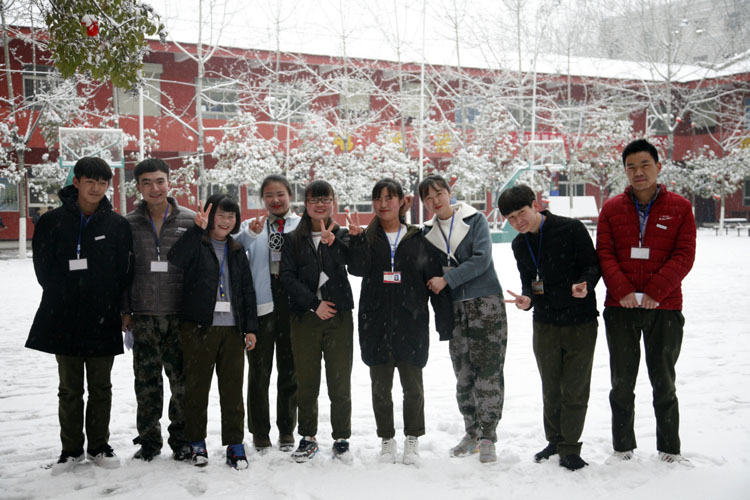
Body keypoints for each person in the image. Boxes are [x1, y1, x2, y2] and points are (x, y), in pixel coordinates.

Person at [26, 157, 133, 475]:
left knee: (101, 387)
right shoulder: (52, 222)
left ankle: (99, 446)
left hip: (104, 316)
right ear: (76, 182)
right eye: (90, 181)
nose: (96, 188)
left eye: (102, 183)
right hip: (65, 316)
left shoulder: (117, 225)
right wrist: (67, 294)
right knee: (69, 389)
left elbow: (124, 271)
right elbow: (43, 268)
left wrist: (116, 307)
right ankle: (71, 450)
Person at [597, 139, 696, 465]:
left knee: (664, 382)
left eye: (644, 165)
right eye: (631, 167)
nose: (638, 172)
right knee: (621, 383)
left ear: (658, 167)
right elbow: (605, 253)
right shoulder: (611, 209)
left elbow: (684, 255)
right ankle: (622, 447)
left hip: (664, 308)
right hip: (620, 308)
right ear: (625, 171)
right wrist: (623, 290)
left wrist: (655, 292)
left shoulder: (680, 207)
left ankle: (669, 449)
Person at [348, 179, 453, 465]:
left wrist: (444, 323)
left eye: (389, 198)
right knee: (380, 389)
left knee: (413, 388)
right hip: (375, 322)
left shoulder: (420, 239)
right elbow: (357, 269)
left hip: (411, 323)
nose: (383, 204)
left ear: (402, 202)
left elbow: (433, 281)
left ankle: (412, 438)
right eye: (378, 198)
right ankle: (386, 439)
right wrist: (356, 242)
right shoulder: (368, 237)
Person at [498, 184, 600, 471]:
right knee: (551, 387)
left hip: (579, 321)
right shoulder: (520, 245)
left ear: (535, 204)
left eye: (522, 213)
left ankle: (570, 447)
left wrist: (585, 284)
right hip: (545, 323)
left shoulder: (571, 228)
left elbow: (593, 266)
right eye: (511, 218)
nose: (519, 221)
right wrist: (526, 299)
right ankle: (555, 441)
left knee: (575, 388)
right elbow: (529, 282)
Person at [419, 175, 508, 464]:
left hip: (486, 304)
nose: (435, 200)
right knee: (463, 375)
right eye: (428, 197)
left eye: (439, 193)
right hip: (454, 309)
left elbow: (482, 259)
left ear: (449, 192)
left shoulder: (475, 219)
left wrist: (448, 279)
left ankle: (488, 436)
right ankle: (472, 433)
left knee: (489, 372)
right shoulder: (426, 232)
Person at [168, 194, 258, 469]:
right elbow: (175, 258)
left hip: (232, 331)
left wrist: (250, 328)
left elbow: (246, 291)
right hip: (198, 328)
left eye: (231, 216)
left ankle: (235, 444)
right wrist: (196, 230)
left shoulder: (236, 250)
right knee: (196, 389)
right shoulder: (197, 243)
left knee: (232, 390)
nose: (226, 221)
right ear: (210, 217)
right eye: (220, 215)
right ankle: (196, 442)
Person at [121, 158, 195, 462]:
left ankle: (182, 440)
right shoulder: (127, 224)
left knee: (182, 383)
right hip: (144, 316)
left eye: (160, 181)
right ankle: (149, 441)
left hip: (180, 316)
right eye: (147, 182)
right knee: (146, 384)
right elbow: (121, 272)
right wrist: (125, 310)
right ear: (138, 187)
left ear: (169, 182)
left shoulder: (190, 221)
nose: (155, 188)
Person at [280, 180, 356, 464]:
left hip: (339, 317)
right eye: (314, 200)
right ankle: (308, 436)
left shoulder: (342, 235)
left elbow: (356, 265)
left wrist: (334, 243)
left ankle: (341, 438)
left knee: (339, 380)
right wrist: (314, 304)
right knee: (307, 381)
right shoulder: (292, 239)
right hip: (305, 318)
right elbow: (287, 277)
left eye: (325, 199)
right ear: (305, 205)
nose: (320, 205)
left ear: (333, 202)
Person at [234, 175, 300, 454]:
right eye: (269, 195)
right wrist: (250, 234)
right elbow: (232, 247)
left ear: (290, 195)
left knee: (290, 372)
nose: (275, 200)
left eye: (280, 194)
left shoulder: (301, 225)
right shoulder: (252, 226)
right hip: (262, 307)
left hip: (292, 308)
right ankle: (260, 431)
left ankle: (287, 429)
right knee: (259, 374)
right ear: (262, 199)